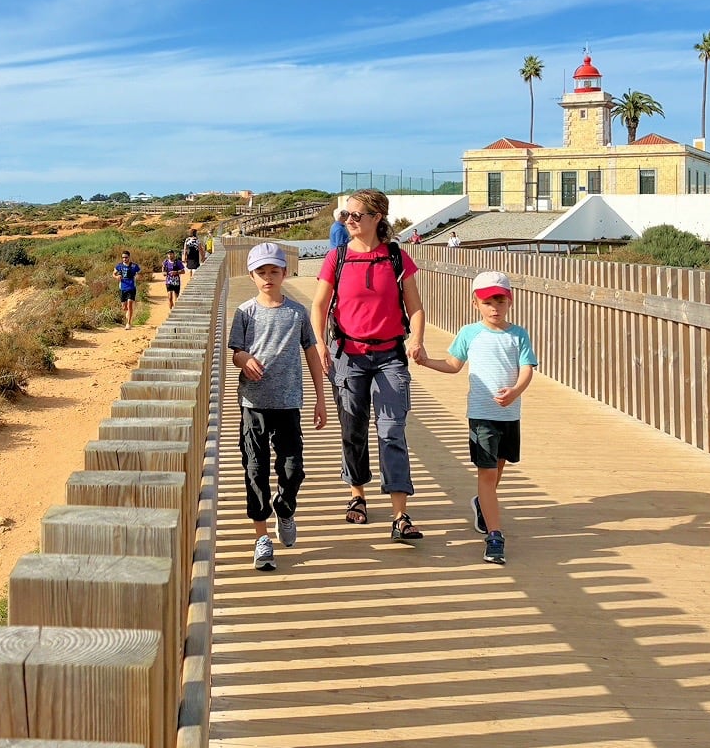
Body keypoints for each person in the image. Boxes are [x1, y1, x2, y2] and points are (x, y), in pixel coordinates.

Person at [310, 187, 428, 544]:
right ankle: (357, 495)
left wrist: (418, 340)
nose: (349, 221)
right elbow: (318, 306)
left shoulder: (395, 257)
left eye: (356, 215)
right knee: (353, 428)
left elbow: (416, 308)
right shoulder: (338, 256)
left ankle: (400, 514)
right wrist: (320, 344)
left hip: (390, 355)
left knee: (392, 430)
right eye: (346, 215)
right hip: (348, 355)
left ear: (377, 218)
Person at [415, 271, 536, 565]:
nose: (494, 307)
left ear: (510, 301)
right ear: (475, 303)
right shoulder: (470, 333)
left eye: (500, 300)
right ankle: (495, 535)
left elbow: (527, 368)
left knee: (499, 465)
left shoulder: (518, 334)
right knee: (487, 472)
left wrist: (516, 391)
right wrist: (425, 360)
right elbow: (454, 364)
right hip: (481, 414)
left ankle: (483, 503)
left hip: (509, 413)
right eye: (487, 301)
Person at [229, 242, 328, 571]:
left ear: (285, 273)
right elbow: (235, 353)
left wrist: (320, 398)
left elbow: (312, 353)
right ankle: (261, 537)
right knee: (254, 470)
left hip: (288, 404)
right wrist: (243, 359)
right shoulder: (245, 312)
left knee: (292, 469)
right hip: (252, 404)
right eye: (262, 272)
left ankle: (285, 509)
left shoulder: (297, 313)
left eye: (274, 270)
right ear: (252, 275)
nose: (268, 277)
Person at [114, 249, 142, 330]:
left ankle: (128, 323)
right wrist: (116, 277)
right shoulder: (119, 266)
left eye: (126, 257)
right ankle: (128, 312)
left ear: (129, 257)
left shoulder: (134, 266)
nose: (124, 259)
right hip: (122, 287)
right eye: (123, 257)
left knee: (130, 304)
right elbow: (114, 273)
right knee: (124, 307)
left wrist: (138, 276)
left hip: (131, 287)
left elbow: (139, 273)